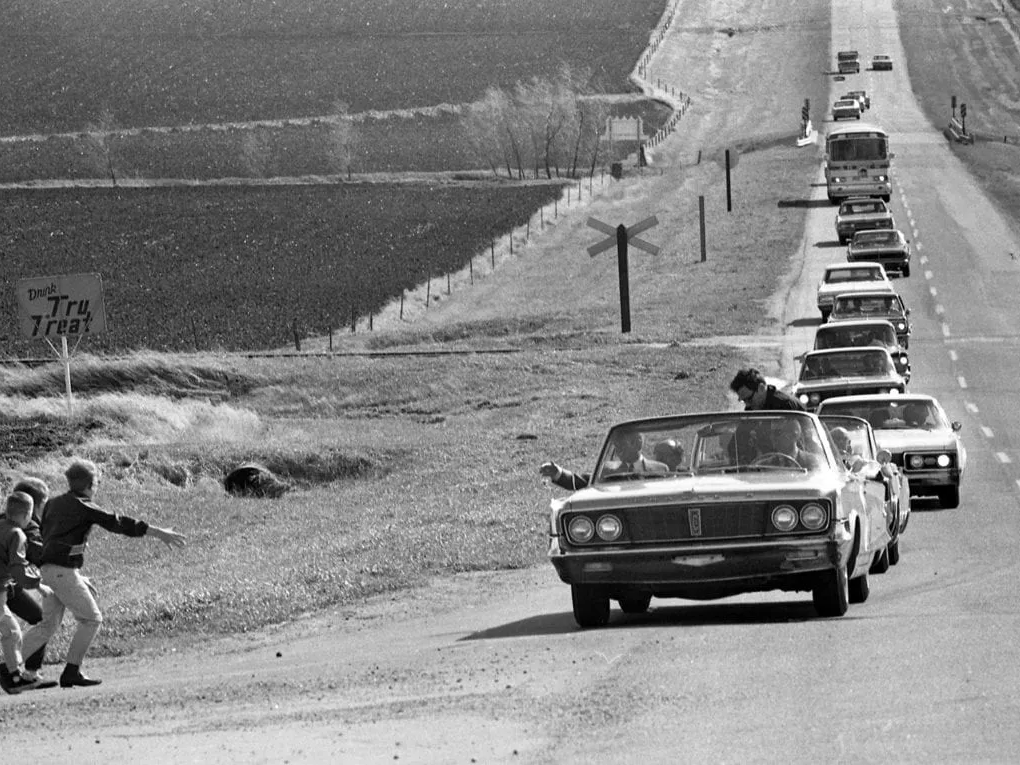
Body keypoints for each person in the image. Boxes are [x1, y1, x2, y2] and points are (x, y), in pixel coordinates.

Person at [19, 458, 186, 689]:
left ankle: (7, 664)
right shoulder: (83, 504)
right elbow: (116, 522)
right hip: (62, 572)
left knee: (47, 625)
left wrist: (71, 571)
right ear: (91, 483)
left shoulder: (52, 504)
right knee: (91, 619)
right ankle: (71, 671)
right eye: (96, 481)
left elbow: (49, 541)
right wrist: (157, 532)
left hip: (49, 571)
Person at [0, 491, 56, 693]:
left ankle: (15, 677)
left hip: (6, 589)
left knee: (11, 631)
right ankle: (13, 675)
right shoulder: (17, 534)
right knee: (11, 631)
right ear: (27, 515)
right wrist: (39, 584)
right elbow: (19, 567)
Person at [540, 430, 668, 490]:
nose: (618, 450)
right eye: (616, 446)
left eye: (622, 445)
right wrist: (559, 473)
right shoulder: (608, 469)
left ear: (638, 443)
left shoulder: (661, 469)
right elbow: (585, 481)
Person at [729, 368, 805, 411]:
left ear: (761, 388)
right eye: (743, 400)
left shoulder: (784, 406)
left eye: (749, 399)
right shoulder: (751, 409)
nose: (747, 404)